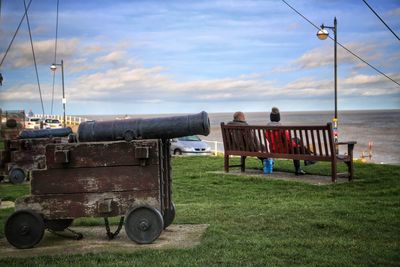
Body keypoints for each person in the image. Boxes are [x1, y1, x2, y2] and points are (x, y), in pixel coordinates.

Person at [267, 107, 314, 176]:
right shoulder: (281, 129)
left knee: (296, 140)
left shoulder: (266, 129)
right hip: (284, 150)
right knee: (296, 148)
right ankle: (306, 161)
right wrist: (297, 146)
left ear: (271, 118)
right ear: (278, 118)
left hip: (274, 149)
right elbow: (288, 140)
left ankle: (307, 160)